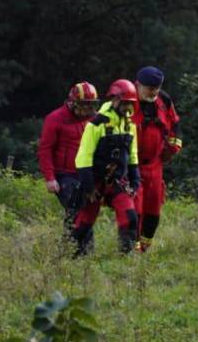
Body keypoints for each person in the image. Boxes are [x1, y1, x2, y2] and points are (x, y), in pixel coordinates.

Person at [70, 79, 142, 256]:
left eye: (130, 104)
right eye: (125, 103)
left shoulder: (129, 125)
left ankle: (126, 257)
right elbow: (83, 157)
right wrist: (88, 187)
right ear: (115, 100)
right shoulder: (96, 124)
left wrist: (135, 178)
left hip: (118, 181)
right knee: (84, 222)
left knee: (130, 217)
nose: (127, 108)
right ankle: (71, 256)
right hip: (94, 182)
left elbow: (132, 154)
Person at [39, 81, 99, 238]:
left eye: (90, 105)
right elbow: (45, 150)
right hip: (64, 174)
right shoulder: (55, 119)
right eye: (83, 105)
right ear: (72, 102)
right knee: (76, 208)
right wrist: (50, 178)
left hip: (86, 173)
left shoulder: (94, 120)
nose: (87, 109)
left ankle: (75, 251)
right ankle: (77, 250)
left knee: (87, 211)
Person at [132, 66, 182, 253]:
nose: (153, 92)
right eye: (149, 88)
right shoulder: (127, 99)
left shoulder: (164, 100)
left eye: (156, 88)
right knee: (134, 208)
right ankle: (131, 247)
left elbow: (175, 123)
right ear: (138, 85)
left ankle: (144, 247)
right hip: (132, 164)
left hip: (155, 164)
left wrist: (174, 144)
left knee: (154, 209)